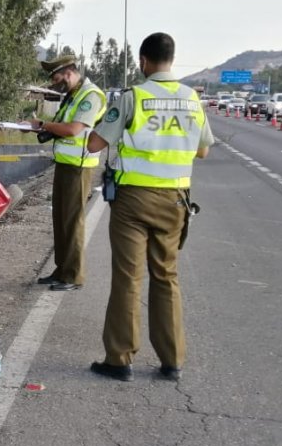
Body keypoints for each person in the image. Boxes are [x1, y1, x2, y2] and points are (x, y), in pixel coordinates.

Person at [85, 32, 214, 382]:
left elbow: (96, 143)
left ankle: (120, 359)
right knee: (166, 277)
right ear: (172, 60)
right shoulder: (192, 100)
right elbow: (202, 150)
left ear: (143, 61)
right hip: (176, 200)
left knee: (128, 277)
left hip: (133, 202)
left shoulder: (134, 97)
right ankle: (172, 361)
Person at [23, 54, 107, 291]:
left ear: (69, 72)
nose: (55, 83)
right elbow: (61, 127)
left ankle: (73, 275)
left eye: (57, 77)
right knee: (60, 219)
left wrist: (43, 125)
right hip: (65, 164)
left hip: (79, 167)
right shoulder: (72, 96)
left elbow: (72, 130)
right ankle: (61, 270)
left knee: (72, 221)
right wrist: (40, 128)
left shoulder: (91, 96)